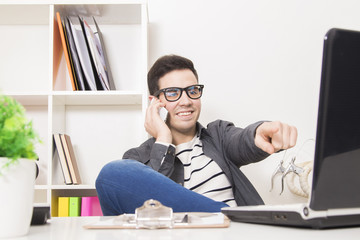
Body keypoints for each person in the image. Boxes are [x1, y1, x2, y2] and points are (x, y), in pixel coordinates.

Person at [96, 55, 298, 216]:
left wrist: (262, 132)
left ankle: (233, 220)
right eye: (173, 93)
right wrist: (163, 140)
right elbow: (150, 208)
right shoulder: (137, 159)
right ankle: (229, 216)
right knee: (113, 174)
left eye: (192, 90)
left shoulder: (218, 136)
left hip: (232, 234)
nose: (186, 101)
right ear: (155, 102)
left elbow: (243, 140)